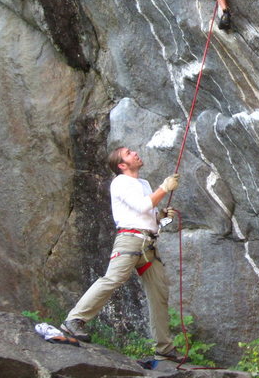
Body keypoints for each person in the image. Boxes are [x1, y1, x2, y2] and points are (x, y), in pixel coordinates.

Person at [60, 146, 182, 362]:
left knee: (159, 291)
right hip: (130, 241)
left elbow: (146, 213)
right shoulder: (120, 182)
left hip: (147, 244)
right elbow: (142, 206)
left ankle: (164, 348)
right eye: (128, 154)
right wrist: (163, 188)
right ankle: (74, 319)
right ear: (122, 165)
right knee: (113, 279)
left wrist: (160, 215)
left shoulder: (142, 183)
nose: (135, 153)